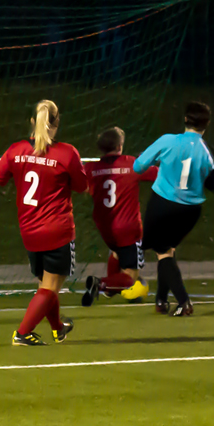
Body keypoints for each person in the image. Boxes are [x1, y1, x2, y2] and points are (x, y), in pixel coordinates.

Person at [0, 100, 88, 346]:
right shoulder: (67, 153)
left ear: (31, 121)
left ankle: (58, 328)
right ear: (57, 123)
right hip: (57, 231)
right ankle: (23, 333)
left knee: (45, 285)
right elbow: (82, 187)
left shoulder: (16, 150)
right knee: (49, 288)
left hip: (29, 231)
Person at [122, 101, 214, 315]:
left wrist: (162, 162)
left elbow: (138, 166)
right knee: (168, 250)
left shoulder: (168, 141)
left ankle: (183, 301)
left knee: (160, 251)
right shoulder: (210, 152)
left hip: (163, 203)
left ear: (185, 120)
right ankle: (161, 300)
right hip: (190, 211)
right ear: (206, 124)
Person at [82, 127, 158, 306]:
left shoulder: (91, 168)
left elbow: (83, 188)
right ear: (119, 146)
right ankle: (102, 284)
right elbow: (157, 174)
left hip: (106, 228)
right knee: (131, 278)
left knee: (116, 252)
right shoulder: (132, 164)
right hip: (129, 229)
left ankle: (109, 289)